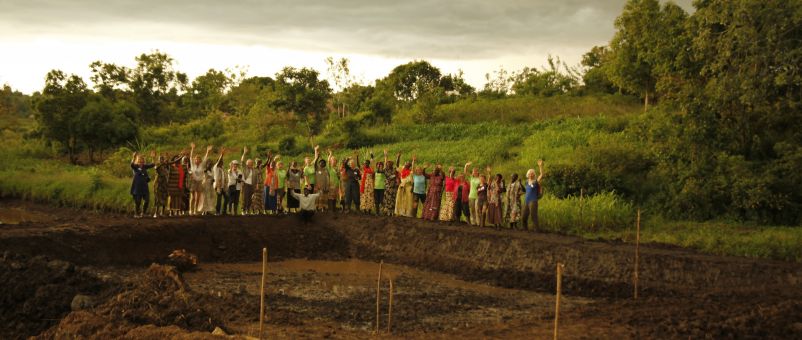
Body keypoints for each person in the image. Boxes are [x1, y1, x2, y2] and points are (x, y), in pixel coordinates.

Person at [130, 151, 155, 218]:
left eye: (142, 160)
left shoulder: (144, 166)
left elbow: (152, 164)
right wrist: (133, 157)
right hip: (137, 187)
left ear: (143, 161)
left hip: (144, 187)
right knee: (137, 201)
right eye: (140, 161)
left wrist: (153, 157)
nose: (141, 162)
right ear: (137, 161)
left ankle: (143, 213)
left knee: (147, 200)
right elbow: (131, 165)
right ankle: (136, 214)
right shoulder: (135, 166)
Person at [523, 160, 545, 231]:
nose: (531, 174)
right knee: (524, 216)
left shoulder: (536, 181)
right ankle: (525, 229)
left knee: (533, 216)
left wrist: (540, 166)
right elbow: (526, 191)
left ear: (534, 174)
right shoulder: (526, 182)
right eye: (530, 173)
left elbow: (541, 175)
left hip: (533, 201)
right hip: (526, 201)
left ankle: (537, 229)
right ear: (528, 174)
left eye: (532, 173)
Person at [188, 143, 211, 215]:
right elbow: (190, 157)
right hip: (193, 181)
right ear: (194, 160)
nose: (197, 160)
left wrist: (207, 151)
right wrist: (192, 149)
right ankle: (190, 210)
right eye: (196, 159)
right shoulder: (192, 164)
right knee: (193, 197)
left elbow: (205, 158)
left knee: (198, 197)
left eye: (198, 159)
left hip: (199, 181)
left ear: (200, 160)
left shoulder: (202, 165)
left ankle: (195, 210)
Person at [198, 150, 222, 215]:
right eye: (208, 163)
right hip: (205, 185)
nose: (210, 164)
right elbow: (203, 161)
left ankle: (208, 210)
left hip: (211, 186)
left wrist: (221, 155)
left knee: (211, 197)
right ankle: (203, 210)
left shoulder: (212, 170)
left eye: (210, 163)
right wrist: (207, 152)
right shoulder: (204, 170)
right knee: (204, 198)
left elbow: (217, 163)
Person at [152, 153, 175, 218]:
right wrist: (154, 158)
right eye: (160, 159)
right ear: (158, 160)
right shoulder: (157, 166)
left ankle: (162, 212)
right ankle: (156, 213)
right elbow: (156, 167)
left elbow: (173, 162)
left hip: (165, 184)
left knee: (165, 197)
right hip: (158, 184)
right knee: (158, 198)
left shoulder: (166, 167)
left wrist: (181, 157)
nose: (161, 160)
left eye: (162, 159)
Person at [380, 151, 401, 216]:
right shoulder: (385, 170)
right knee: (387, 199)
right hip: (387, 187)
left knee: (393, 199)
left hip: (394, 187)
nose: (388, 165)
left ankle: (392, 212)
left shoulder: (394, 170)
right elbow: (383, 165)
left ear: (392, 165)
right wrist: (385, 156)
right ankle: (386, 211)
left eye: (390, 164)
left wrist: (398, 157)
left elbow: (397, 165)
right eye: (387, 164)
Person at [311, 146, 330, 211]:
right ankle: (316, 208)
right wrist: (317, 157)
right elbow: (314, 163)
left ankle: (323, 208)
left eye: (323, 163)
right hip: (317, 186)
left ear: (325, 164)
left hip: (324, 187)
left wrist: (327, 187)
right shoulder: (316, 169)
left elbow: (327, 179)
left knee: (323, 198)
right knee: (317, 197)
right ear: (319, 163)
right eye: (321, 162)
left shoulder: (326, 170)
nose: (322, 163)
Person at [240, 147, 256, 215]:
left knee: (250, 199)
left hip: (252, 186)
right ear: (247, 164)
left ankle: (248, 210)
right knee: (245, 198)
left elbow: (256, 178)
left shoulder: (253, 170)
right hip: (246, 184)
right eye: (249, 163)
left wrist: (255, 185)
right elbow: (242, 161)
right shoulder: (245, 168)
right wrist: (244, 153)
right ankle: (243, 210)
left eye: (251, 163)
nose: (250, 164)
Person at [213, 149, 228, 215]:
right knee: (219, 199)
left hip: (223, 187)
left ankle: (224, 211)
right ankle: (217, 212)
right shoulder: (216, 168)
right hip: (218, 186)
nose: (222, 163)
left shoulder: (222, 169)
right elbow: (218, 161)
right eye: (221, 162)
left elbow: (224, 178)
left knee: (227, 198)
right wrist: (221, 155)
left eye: (222, 162)